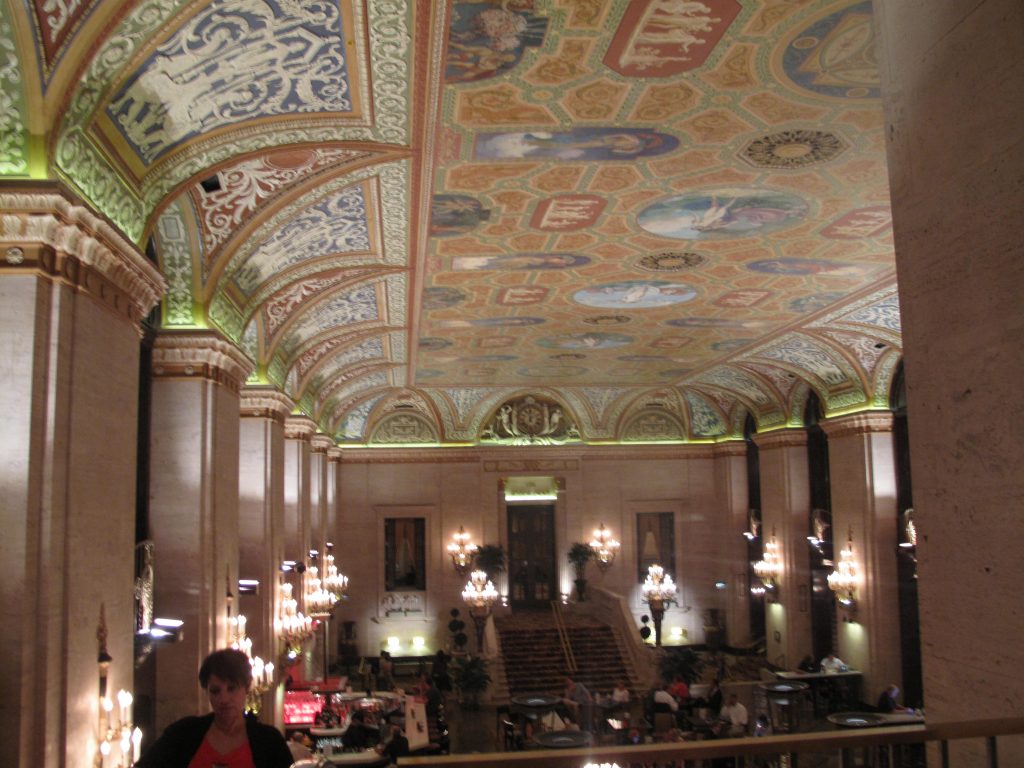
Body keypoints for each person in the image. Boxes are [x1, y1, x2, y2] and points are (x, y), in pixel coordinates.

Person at [136, 648, 293, 768]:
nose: (223, 699)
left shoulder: (269, 742)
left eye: (231, 689)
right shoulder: (183, 734)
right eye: (215, 691)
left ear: (246, 688)